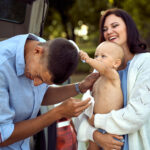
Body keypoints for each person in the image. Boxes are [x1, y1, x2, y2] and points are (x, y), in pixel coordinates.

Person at [0, 33, 99, 150]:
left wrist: (80, 87)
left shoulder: (45, 50)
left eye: (43, 82)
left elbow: (40, 96)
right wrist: (58, 113)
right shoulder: (2, 66)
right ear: (37, 51)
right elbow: (3, 136)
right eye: (38, 76)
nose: (36, 84)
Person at [75, 8, 150, 150]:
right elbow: (82, 114)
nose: (109, 31)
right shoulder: (100, 70)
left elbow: (136, 116)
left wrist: (96, 120)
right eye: (105, 28)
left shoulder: (146, 63)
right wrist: (96, 136)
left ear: (129, 28)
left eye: (115, 26)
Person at [79, 41, 125, 150]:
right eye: (96, 56)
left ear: (116, 63)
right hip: (95, 124)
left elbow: (104, 68)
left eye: (103, 56)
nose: (98, 59)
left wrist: (89, 59)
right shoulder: (98, 78)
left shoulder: (113, 75)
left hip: (111, 127)